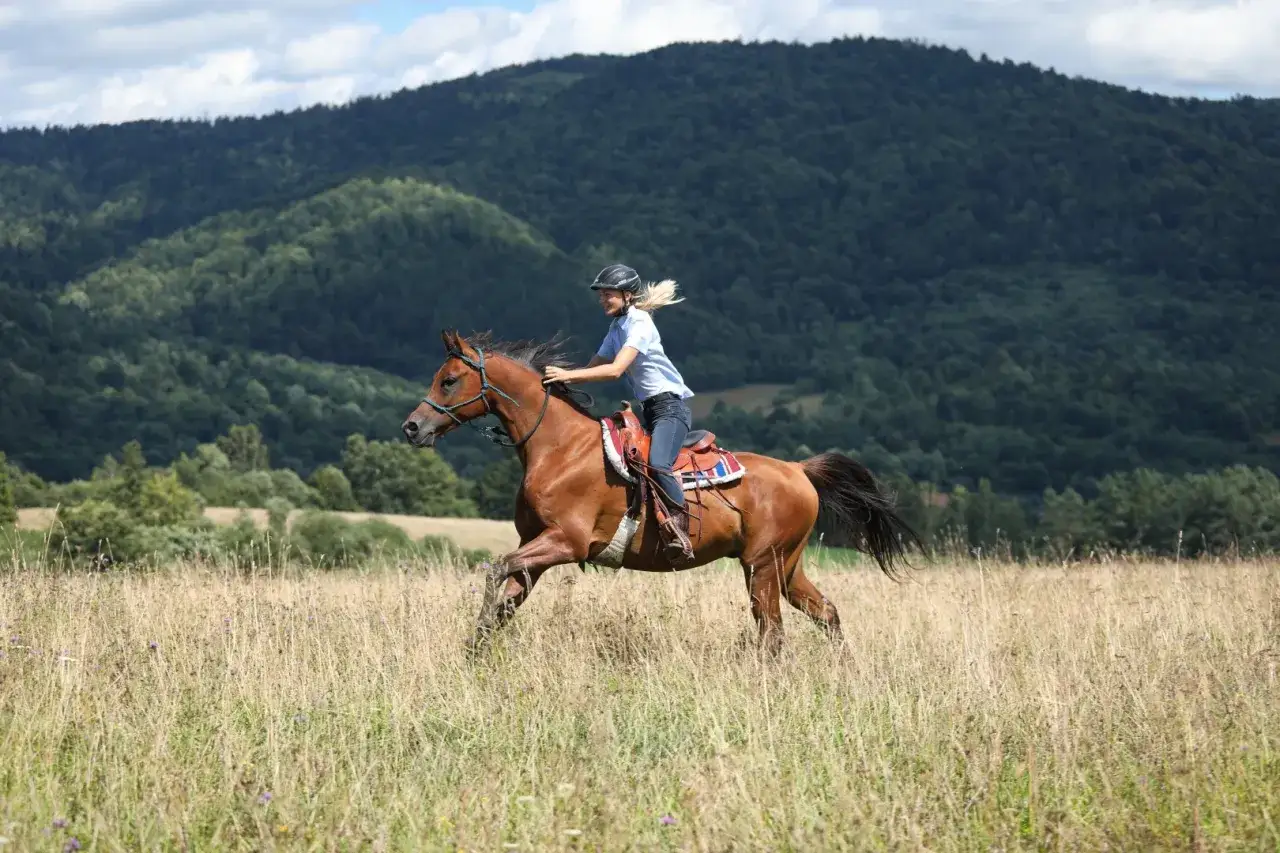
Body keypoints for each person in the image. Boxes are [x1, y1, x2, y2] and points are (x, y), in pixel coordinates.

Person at [542, 263, 696, 566]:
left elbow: (614, 370)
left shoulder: (640, 324)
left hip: (670, 409)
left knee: (658, 463)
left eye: (607, 295)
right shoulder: (617, 327)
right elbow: (593, 366)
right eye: (601, 295)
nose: (602, 300)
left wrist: (568, 375)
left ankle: (680, 528)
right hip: (650, 410)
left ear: (627, 295)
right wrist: (562, 382)